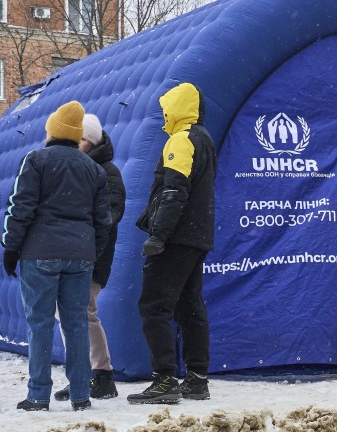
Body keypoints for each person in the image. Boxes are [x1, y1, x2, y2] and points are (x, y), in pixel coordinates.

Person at [1, 100, 112, 412]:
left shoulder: (35, 160)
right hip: (80, 256)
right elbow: (103, 221)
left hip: (39, 254)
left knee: (39, 324)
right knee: (76, 324)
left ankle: (38, 395)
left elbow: (19, 207)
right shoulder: (94, 169)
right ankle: (80, 394)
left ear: (52, 131)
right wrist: (90, 251)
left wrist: (11, 248)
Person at [127, 82, 216, 405]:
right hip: (197, 236)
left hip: (176, 237)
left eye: (167, 108)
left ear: (177, 108)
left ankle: (164, 379)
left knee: (154, 306)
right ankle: (196, 378)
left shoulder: (181, 140)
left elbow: (174, 191)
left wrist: (158, 236)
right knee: (190, 307)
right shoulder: (204, 139)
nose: (163, 114)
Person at [53, 113, 126, 402]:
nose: (76, 143)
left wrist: (84, 241)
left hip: (92, 255)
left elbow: (109, 216)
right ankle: (84, 374)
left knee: (82, 312)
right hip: (74, 252)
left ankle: (101, 374)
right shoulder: (75, 167)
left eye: (82, 139)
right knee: (70, 313)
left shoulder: (107, 172)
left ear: (92, 142)